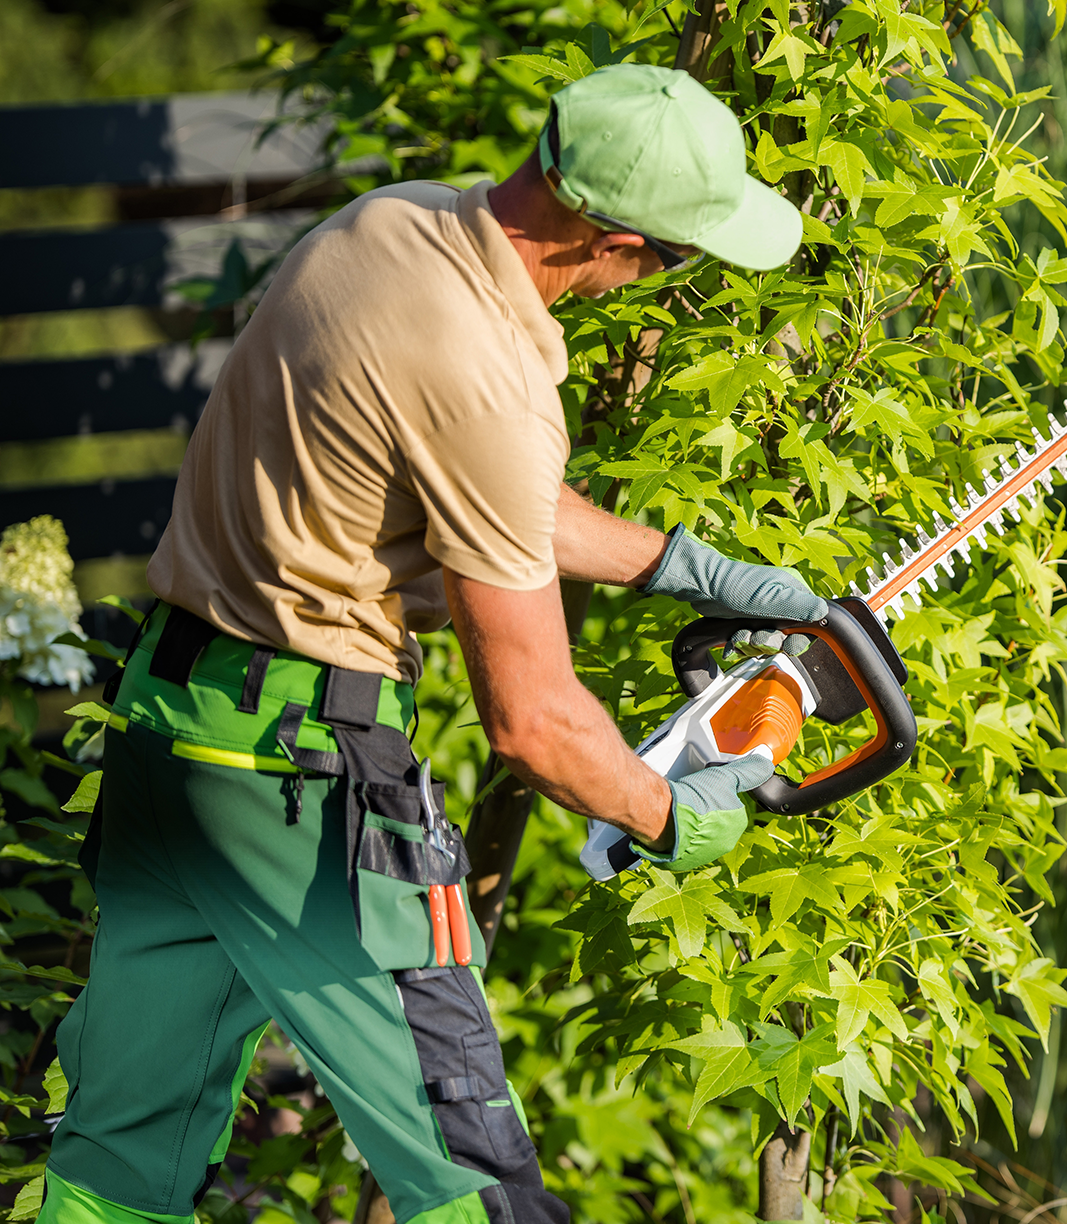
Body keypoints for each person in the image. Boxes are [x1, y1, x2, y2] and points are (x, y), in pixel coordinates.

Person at [40, 63, 820, 1224]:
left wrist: (679, 564)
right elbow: (534, 722)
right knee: (471, 1189)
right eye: (673, 258)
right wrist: (675, 818)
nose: (663, 282)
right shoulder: (489, 372)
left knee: (119, 1167)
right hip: (299, 794)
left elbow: (468, 484)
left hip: (169, 733)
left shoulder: (395, 227)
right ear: (607, 238)